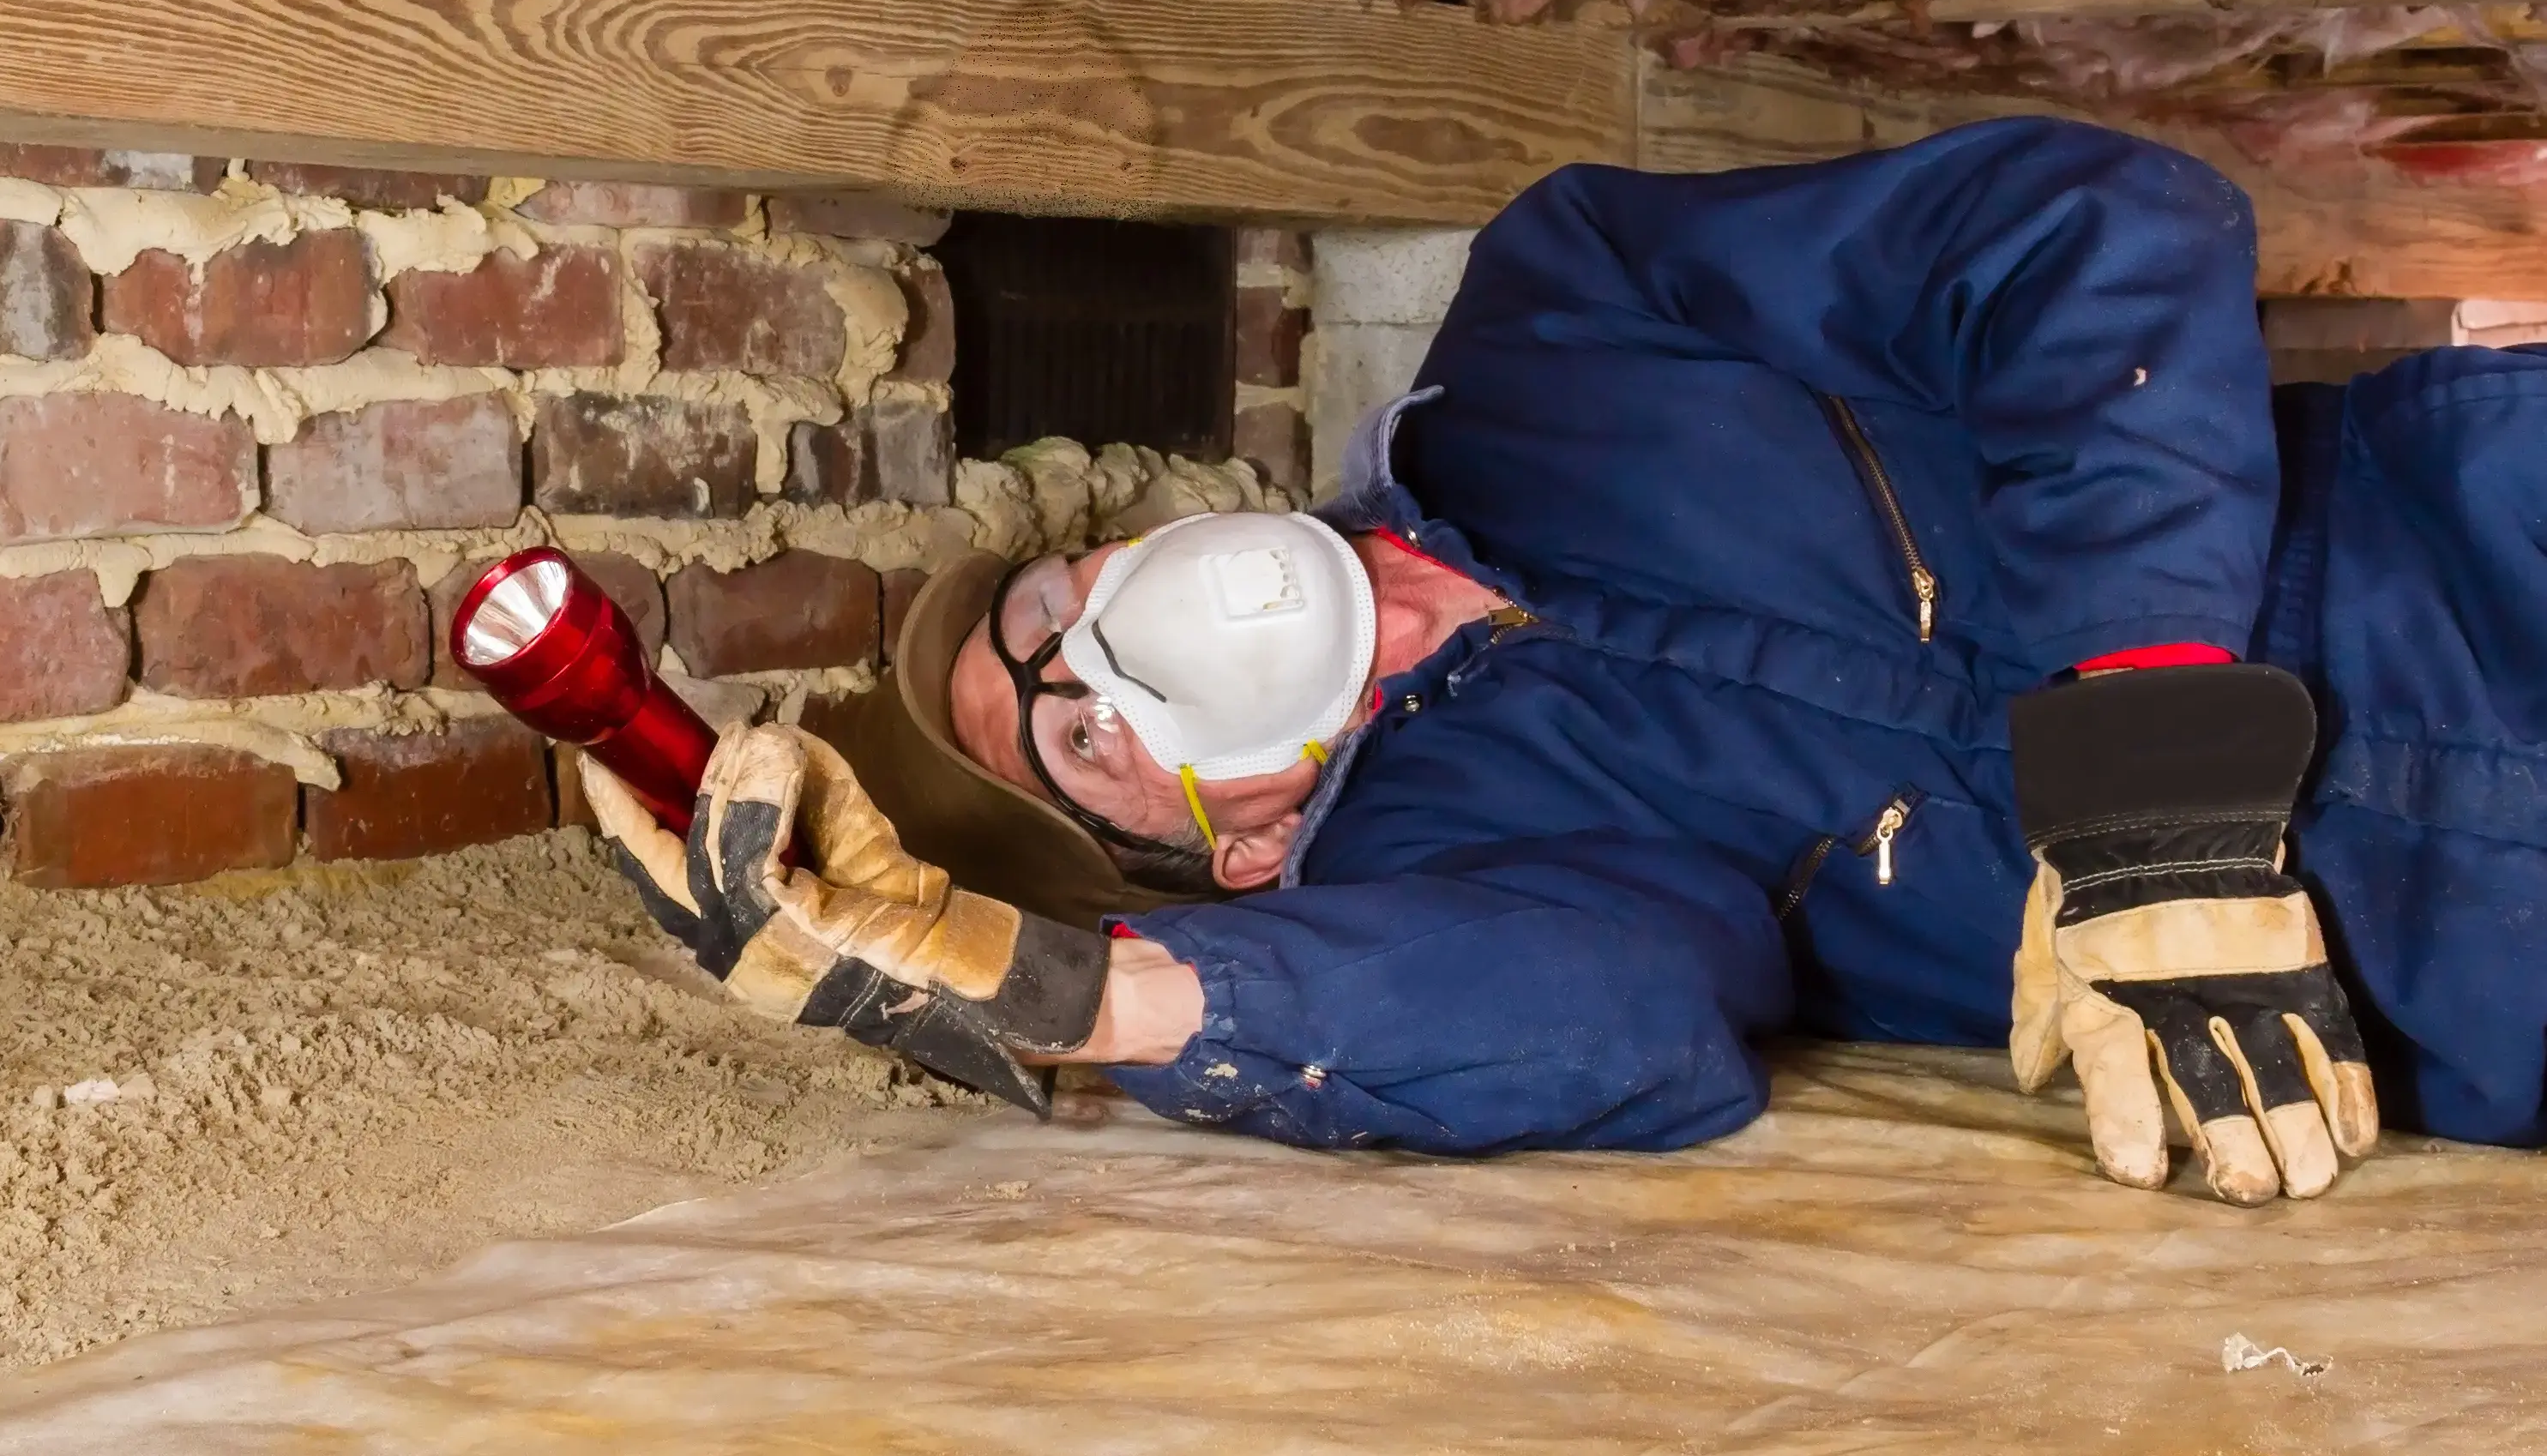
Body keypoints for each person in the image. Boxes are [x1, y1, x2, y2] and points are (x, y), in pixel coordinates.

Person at [589, 116, 2547, 1206]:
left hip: (2480, 548)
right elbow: (1614, 1031)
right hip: (2460, 974)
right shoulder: (1456, 871)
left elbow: (2086, 231)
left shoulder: (1561, 315)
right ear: (1237, 848)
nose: (1097, 658)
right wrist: (1070, 991)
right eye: (1082, 739)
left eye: (1047, 615)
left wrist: (2147, 778)